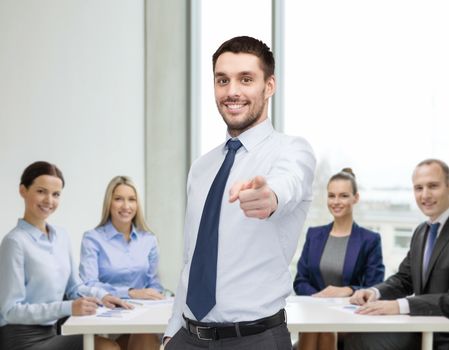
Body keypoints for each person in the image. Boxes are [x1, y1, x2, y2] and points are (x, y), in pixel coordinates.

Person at [163, 36, 316, 350]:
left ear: (269, 86)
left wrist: (269, 197)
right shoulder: (202, 167)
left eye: (246, 79)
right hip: (188, 339)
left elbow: (287, 183)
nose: (232, 91)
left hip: (253, 340)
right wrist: (171, 332)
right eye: (222, 80)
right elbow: (193, 258)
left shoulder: (292, 151)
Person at [0, 161, 129, 350]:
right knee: (107, 348)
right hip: (22, 339)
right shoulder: (15, 242)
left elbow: (74, 286)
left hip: (53, 331)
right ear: (23, 190)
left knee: (114, 345)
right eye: (41, 191)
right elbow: (10, 310)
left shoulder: (61, 236)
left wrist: (103, 296)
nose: (49, 201)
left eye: (56, 194)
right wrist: (68, 308)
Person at [346, 159, 449, 350]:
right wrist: (375, 292)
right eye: (418, 188)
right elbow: (404, 279)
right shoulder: (422, 231)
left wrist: (400, 306)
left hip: (444, 337)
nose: (425, 195)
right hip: (422, 329)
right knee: (351, 338)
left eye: (433, 186)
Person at [293, 168, 385, 350]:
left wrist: (348, 290)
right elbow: (300, 281)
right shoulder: (314, 235)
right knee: (317, 326)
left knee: (324, 327)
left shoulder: (369, 240)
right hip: (315, 313)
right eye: (331, 196)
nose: (336, 202)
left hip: (350, 316)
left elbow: (376, 285)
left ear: (355, 198)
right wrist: (320, 299)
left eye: (343, 196)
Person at [79, 175, 164, 350]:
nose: (126, 206)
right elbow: (88, 284)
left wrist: (153, 294)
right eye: (118, 199)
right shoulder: (93, 238)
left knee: (147, 337)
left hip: (141, 317)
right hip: (105, 317)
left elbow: (154, 283)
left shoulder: (149, 240)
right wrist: (130, 293)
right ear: (109, 203)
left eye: (131, 199)